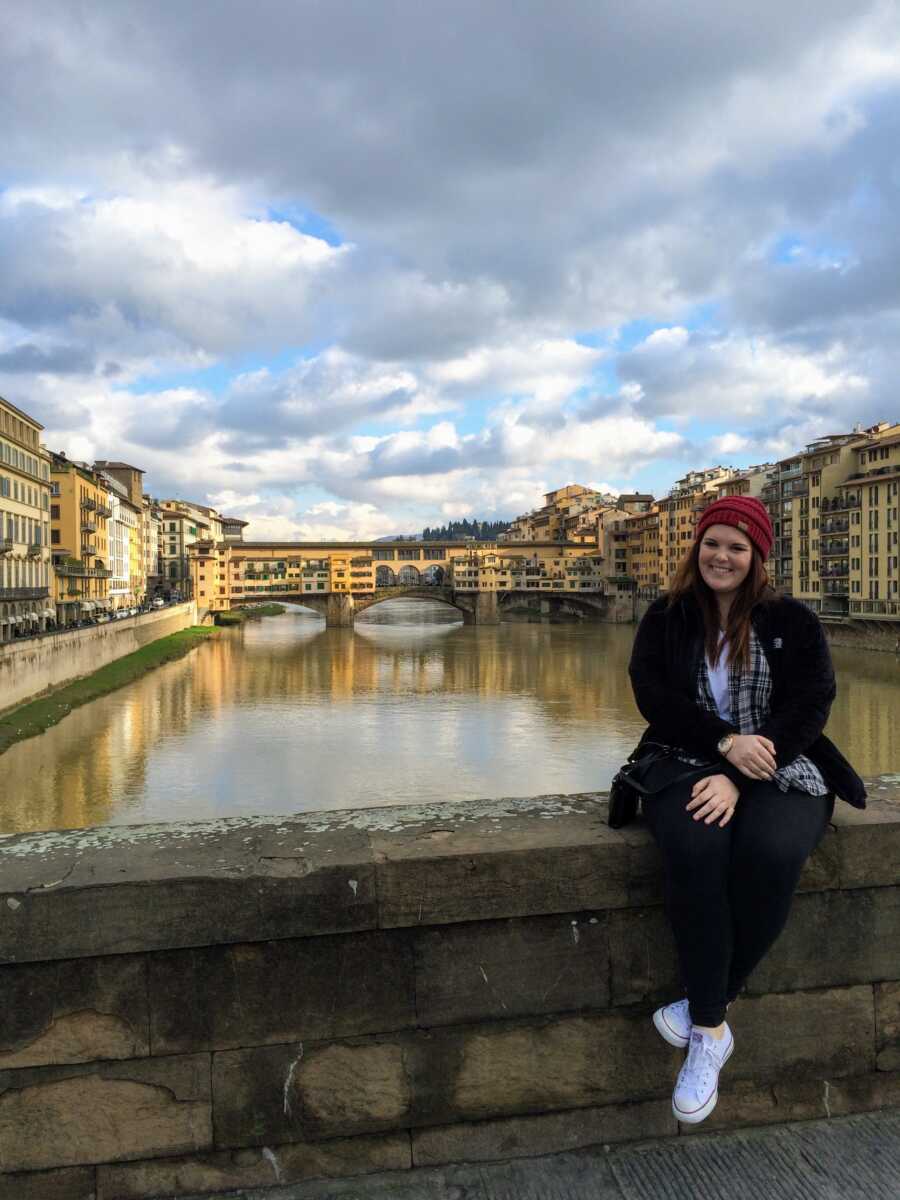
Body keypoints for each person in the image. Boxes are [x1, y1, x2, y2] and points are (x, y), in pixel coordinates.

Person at [628, 494, 865, 1126]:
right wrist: (723, 747)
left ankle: (705, 1014)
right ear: (697, 547)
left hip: (785, 758)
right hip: (685, 756)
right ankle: (713, 1027)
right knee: (696, 846)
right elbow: (652, 695)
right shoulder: (668, 615)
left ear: (758, 555)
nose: (722, 556)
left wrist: (746, 763)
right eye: (712, 543)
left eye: (737, 546)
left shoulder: (793, 619)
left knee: (771, 851)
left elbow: (814, 699)